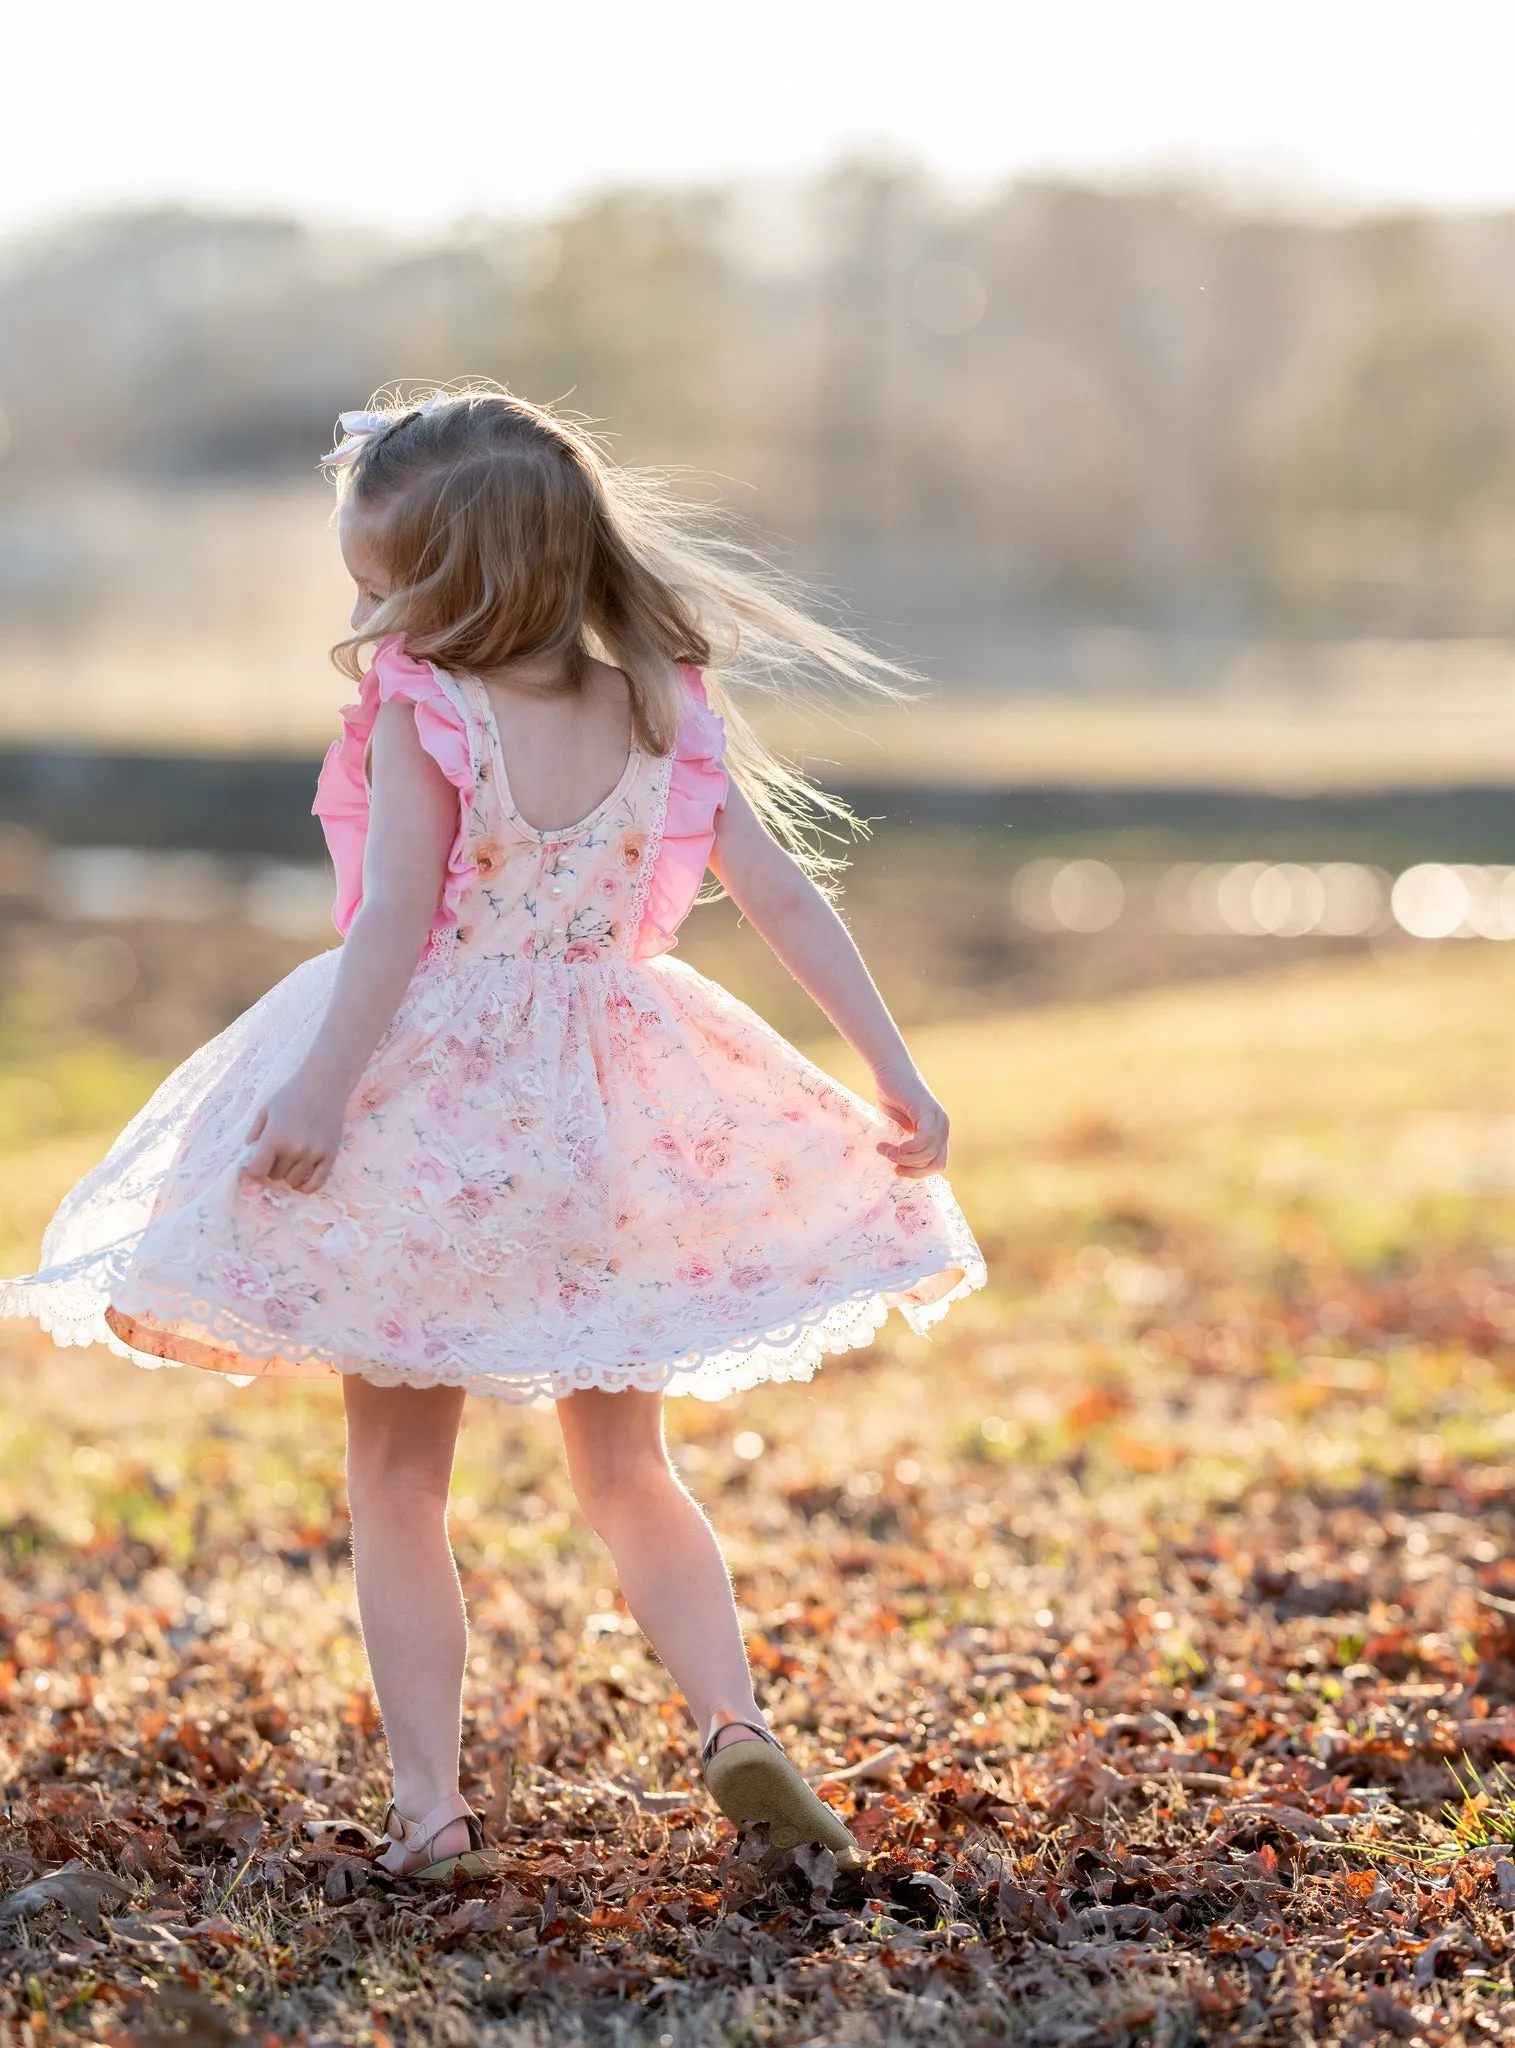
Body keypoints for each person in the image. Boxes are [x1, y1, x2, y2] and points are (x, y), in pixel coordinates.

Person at [1, 386, 984, 1881]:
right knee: (627, 1470)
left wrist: (324, 1088)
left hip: (435, 1113)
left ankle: (432, 1812)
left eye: (380, 577)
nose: (364, 603)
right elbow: (781, 895)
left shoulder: (428, 702)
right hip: (610, 1103)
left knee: (399, 1484)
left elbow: (397, 912)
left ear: (452, 581)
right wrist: (889, 1069)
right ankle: (732, 1723)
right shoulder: (661, 696)